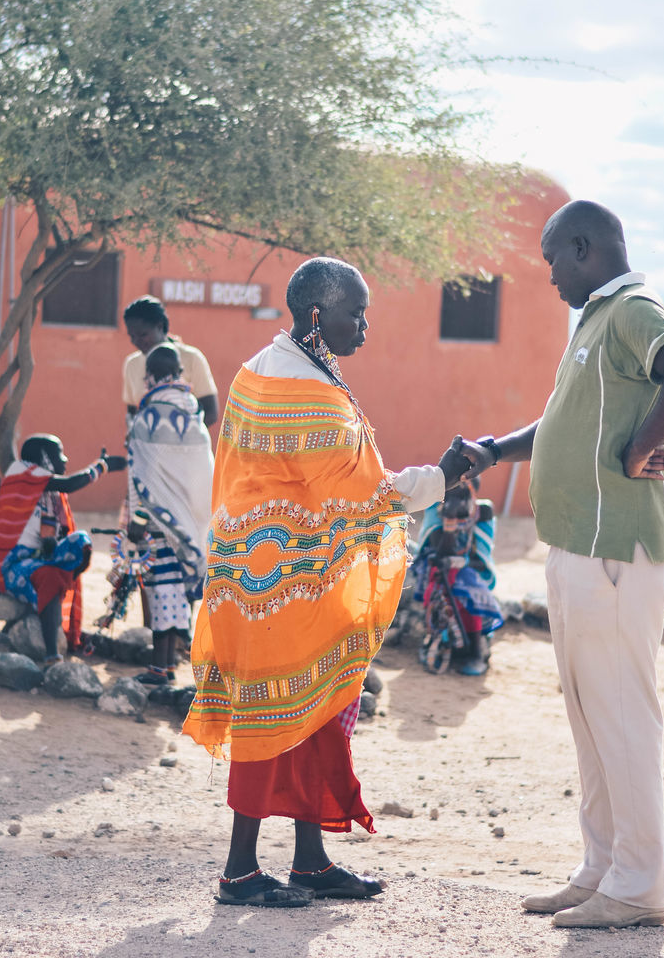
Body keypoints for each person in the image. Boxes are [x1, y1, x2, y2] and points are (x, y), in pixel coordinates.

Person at [183, 256, 472, 907]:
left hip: (275, 582)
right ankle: (238, 871)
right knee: (267, 720)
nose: (365, 326)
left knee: (312, 715)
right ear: (318, 315)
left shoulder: (266, 369)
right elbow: (366, 491)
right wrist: (444, 475)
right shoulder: (302, 389)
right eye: (356, 313)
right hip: (276, 592)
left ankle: (311, 862)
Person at [459, 200, 664, 930]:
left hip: (615, 550)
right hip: (579, 547)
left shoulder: (633, 307)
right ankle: (603, 869)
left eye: (551, 260)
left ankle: (638, 887)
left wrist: (639, 448)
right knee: (590, 718)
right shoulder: (595, 322)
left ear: (584, 248)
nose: (548, 276)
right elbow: (564, 422)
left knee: (623, 718)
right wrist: (495, 451)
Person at [0, 435, 126, 664]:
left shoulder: (47, 491)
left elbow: (58, 534)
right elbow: (70, 483)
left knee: (80, 542)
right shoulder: (21, 472)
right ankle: (51, 654)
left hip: (40, 560)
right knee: (51, 576)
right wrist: (102, 466)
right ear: (44, 458)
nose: (65, 459)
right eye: (59, 454)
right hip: (13, 565)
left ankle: (57, 585)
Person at [126, 342, 215, 685]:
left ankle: (159, 669)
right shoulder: (193, 414)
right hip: (193, 518)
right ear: (179, 375)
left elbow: (141, 475)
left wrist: (137, 521)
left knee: (162, 589)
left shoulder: (146, 418)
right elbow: (200, 467)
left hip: (160, 522)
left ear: (149, 377)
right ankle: (173, 665)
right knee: (178, 590)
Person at [413, 477, 502, 675]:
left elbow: (480, 557)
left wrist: (459, 563)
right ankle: (437, 639)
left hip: (472, 569)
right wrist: (449, 519)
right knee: (442, 582)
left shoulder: (483, 511)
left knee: (467, 585)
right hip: (438, 565)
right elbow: (440, 551)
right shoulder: (435, 507)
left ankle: (477, 654)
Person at [122, 295, 219, 427]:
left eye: (143, 335)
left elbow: (211, 412)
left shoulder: (192, 357)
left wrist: (178, 437)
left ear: (160, 327)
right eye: (132, 336)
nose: (136, 341)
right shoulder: (131, 364)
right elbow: (133, 412)